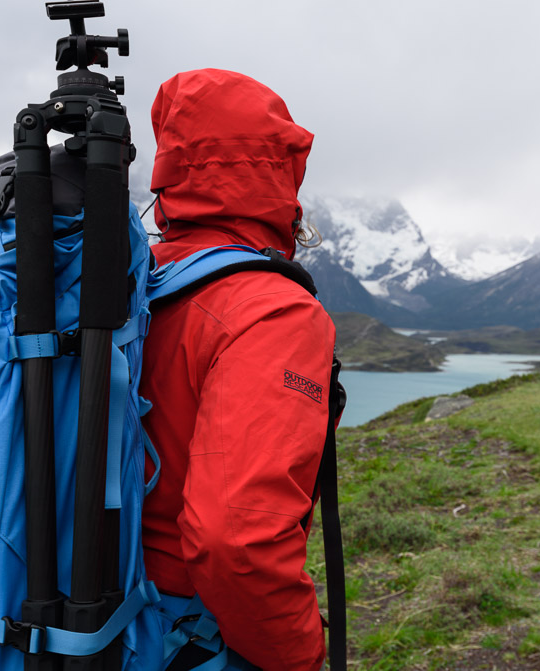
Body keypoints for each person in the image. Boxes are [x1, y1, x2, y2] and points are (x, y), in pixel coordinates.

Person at [139, 69, 335, 671]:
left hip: (86, 623)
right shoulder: (272, 309)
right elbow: (236, 540)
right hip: (189, 640)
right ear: (281, 168)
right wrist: (299, 657)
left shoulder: (127, 287)